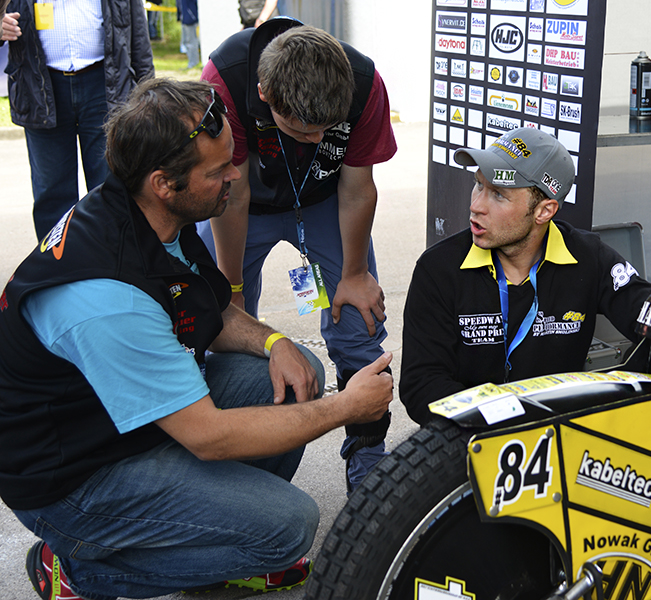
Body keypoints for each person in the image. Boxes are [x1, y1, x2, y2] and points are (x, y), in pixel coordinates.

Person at [0, 78, 394, 600]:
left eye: (233, 159)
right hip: (74, 478)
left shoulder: (154, 210)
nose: (236, 176)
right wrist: (346, 409)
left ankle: (216, 542)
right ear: (165, 182)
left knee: (298, 370)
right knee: (289, 526)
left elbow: (210, 310)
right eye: (219, 171)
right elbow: (208, 436)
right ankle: (77, 568)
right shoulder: (108, 294)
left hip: (118, 422)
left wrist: (275, 342)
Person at [199, 18, 396, 492]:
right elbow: (233, 192)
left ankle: (367, 450)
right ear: (265, 93)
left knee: (359, 318)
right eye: (300, 131)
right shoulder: (225, 80)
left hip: (326, 201)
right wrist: (233, 292)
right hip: (244, 203)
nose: (313, 141)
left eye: (324, 131)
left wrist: (353, 274)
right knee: (212, 319)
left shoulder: (364, 83)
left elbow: (357, 187)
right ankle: (224, 443)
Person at [400, 128, 651, 425]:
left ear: (544, 211)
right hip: (465, 443)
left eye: (498, 194)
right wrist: (503, 423)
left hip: (559, 440)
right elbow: (421, 386)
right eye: (478, 185)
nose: (476, 206)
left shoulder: (590, 258)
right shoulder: (438, 269)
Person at [1, 0, 154, 240]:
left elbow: (138, 35)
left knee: (111, 185)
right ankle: (58, 268)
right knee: (52, 192)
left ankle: (114, 264)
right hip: (40, 87)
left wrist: (148, 93)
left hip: (105, 86)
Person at [177, 0, 199, 70]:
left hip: (190, 19)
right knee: (187, 42)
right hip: (185, 19)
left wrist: (192, 16)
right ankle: (191, 62)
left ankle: (193, 63)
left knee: (191, 42)